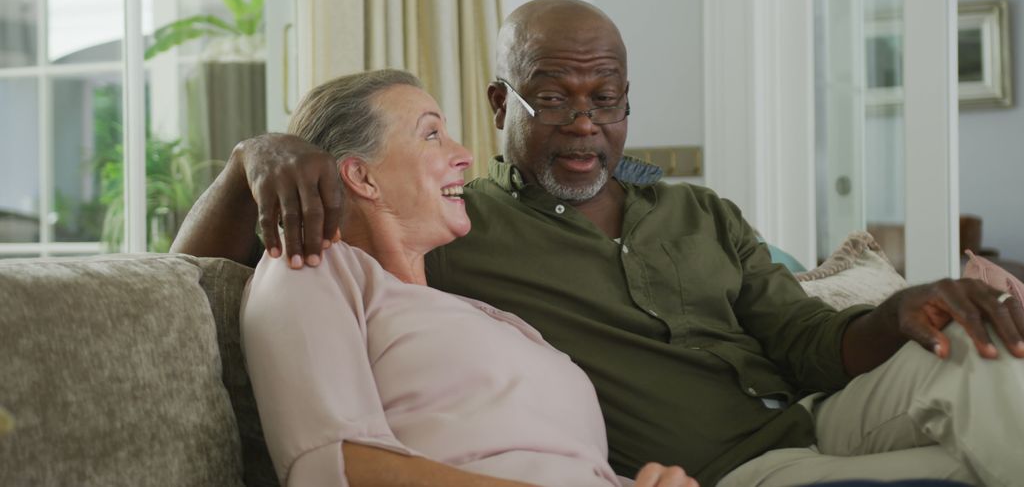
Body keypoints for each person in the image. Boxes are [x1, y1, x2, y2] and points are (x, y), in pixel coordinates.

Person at [175, 0, 1024, 487]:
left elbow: (808, 343)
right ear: (504, 106)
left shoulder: (700, 212)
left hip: (815, 417)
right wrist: (257, 157)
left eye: (603, 99)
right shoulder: (454, 226)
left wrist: (902, 309)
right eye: (553, 97)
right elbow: (207, 276)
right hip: (726, 470)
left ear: (626, 105)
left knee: (984, 350)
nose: (582, 124)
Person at [238, 68, 697, 487]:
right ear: (362, 176)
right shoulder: (313, 266)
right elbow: (335, 466)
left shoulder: (475, 312)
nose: (465, 154)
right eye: (432, 134)